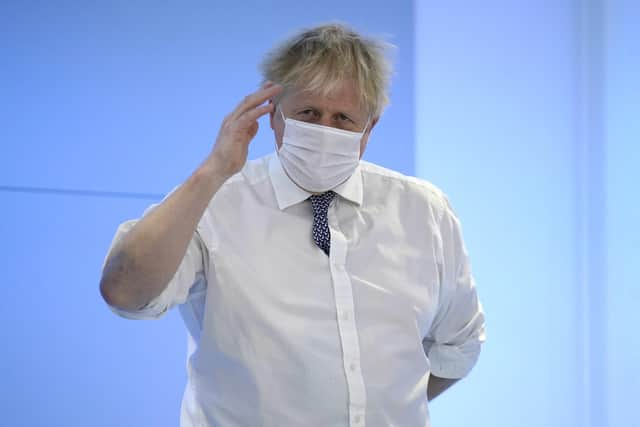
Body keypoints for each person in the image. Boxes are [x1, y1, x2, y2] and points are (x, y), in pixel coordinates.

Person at [100, 22, 486, 427]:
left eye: (343, 119)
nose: (324, 130)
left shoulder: (423, 211)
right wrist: (214, 170)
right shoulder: (214, 204)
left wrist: (384, 402)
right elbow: (124, 292)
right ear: (273, 114)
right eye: (308, 113)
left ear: (369, 128)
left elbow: (458, 345)